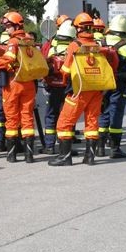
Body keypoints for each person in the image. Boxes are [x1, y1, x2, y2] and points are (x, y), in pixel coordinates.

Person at [49, 12, 113, 166]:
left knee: (64, 123)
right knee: (91, 123)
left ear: (77, 28)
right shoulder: (97, 45)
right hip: (96, 90)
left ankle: (65, 157)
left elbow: (65, 70)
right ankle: (89, 157)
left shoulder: (74, 46)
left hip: (78, 90)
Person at [0, 11, 38, 163]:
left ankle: (12, 155)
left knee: (12, 118)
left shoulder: (13, 42)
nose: (6, 29)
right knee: (27, 117)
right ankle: (29, 155)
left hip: (14, 83)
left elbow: (8, 59)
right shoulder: (29, 40)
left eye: (8, 26)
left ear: (16, 25)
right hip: (29, 83)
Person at [97, 14, 126, 159]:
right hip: (119, 86)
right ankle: (115, 148)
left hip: (102, 84)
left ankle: (100, 147)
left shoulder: (100, 43)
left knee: (103, 113)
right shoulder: (125, 47)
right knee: (116, 114)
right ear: (122, 32)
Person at [39, 15, 74, 155]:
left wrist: (45, 79)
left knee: (51, 115)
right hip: (69, 87)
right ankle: (65, 146)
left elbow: (44, 64)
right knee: (68, 117)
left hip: (54, 87)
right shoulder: (75, 48)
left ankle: (49, 145)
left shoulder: (53, 47)